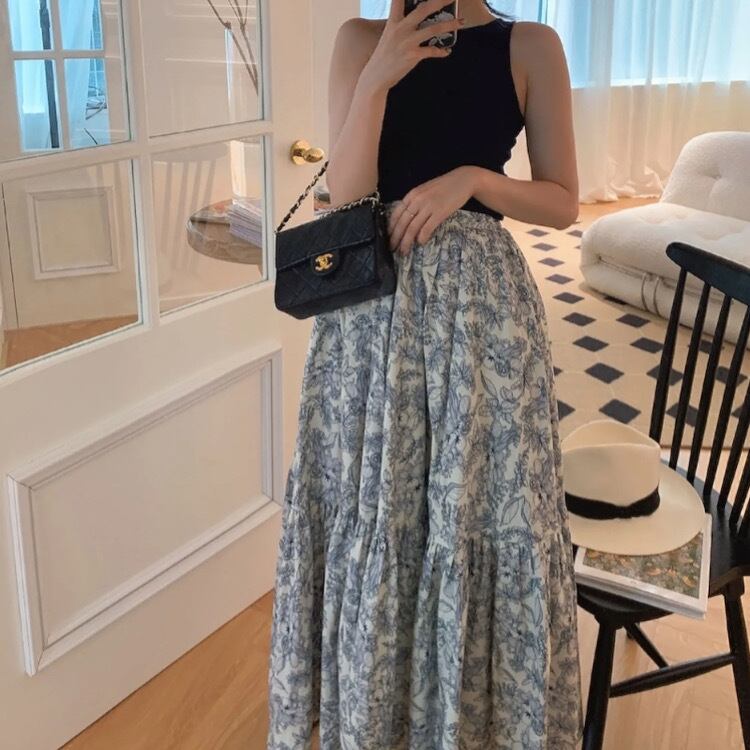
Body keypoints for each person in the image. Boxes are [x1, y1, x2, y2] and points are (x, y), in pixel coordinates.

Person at [267, 0, 583, 747]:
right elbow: (345, 196)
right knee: (373, 511)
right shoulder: (359, 40)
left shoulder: (529, 45)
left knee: (483, 512)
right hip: (369, 320)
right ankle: (378, 719)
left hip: (483, 321)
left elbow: (563, 202)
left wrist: (469, 180)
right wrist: (378, 76)